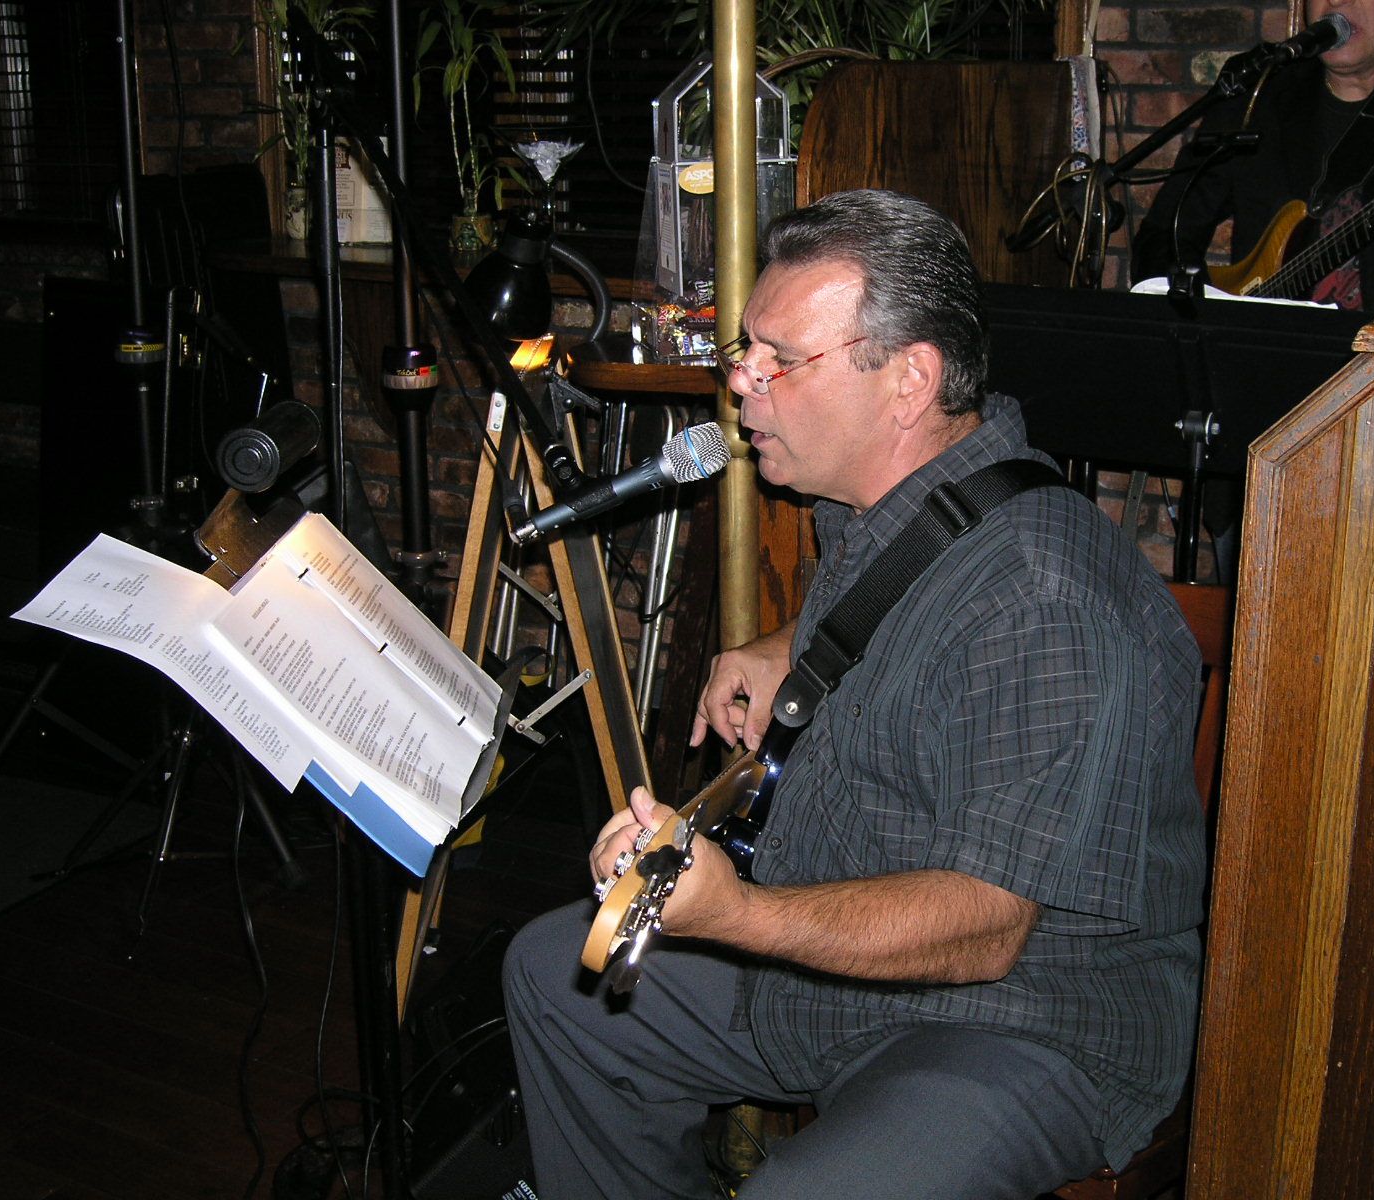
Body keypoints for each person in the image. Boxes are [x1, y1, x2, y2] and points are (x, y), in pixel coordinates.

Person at [503, 189, 1208, 1200]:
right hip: (848, 954)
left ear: (908, 380)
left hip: (1027, 1015)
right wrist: (789, 642)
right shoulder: (893, 504)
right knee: (553, 975)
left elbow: (984, 926)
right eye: (744, 349)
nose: (739, 381)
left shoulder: (1042, 596)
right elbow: (910, 603)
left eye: (778, 359)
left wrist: (739, 914)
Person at [1131, 0, 1374, 311]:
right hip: (1265, 352)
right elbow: (1164, 235)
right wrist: (1204, 323)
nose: (1336, 0)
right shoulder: (1260, 94)